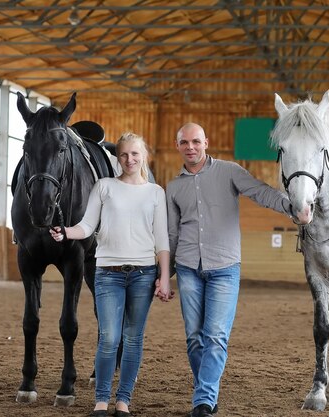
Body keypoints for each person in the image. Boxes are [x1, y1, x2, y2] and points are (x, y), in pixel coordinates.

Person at [167, 122, 291, 417]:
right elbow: (171, 234)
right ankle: (205, 393)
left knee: (216, 335)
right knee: (194, 337)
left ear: (206, 142)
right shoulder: (173, 187)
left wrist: (291, 205)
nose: (191, 147)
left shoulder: (230, 171)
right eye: (184, 142)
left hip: (224, 267)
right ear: (178, 146)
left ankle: (204, 399)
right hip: (187, 267)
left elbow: (261, 193)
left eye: (196, 141)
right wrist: (164, 274)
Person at [49, 132, 172, 417]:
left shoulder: (156, 193)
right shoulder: (104, 187)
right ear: (118, 158)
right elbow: (87, 226)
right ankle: (101, 401)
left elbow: (162, 240)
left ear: (144, 157)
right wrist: (66, 232)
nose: (130, 159)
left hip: (143, 273)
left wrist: (164, 277)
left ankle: (123, 401)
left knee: (133, 338)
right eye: (125, 155)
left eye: (135, 154)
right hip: (107, 273)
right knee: (109, 338)